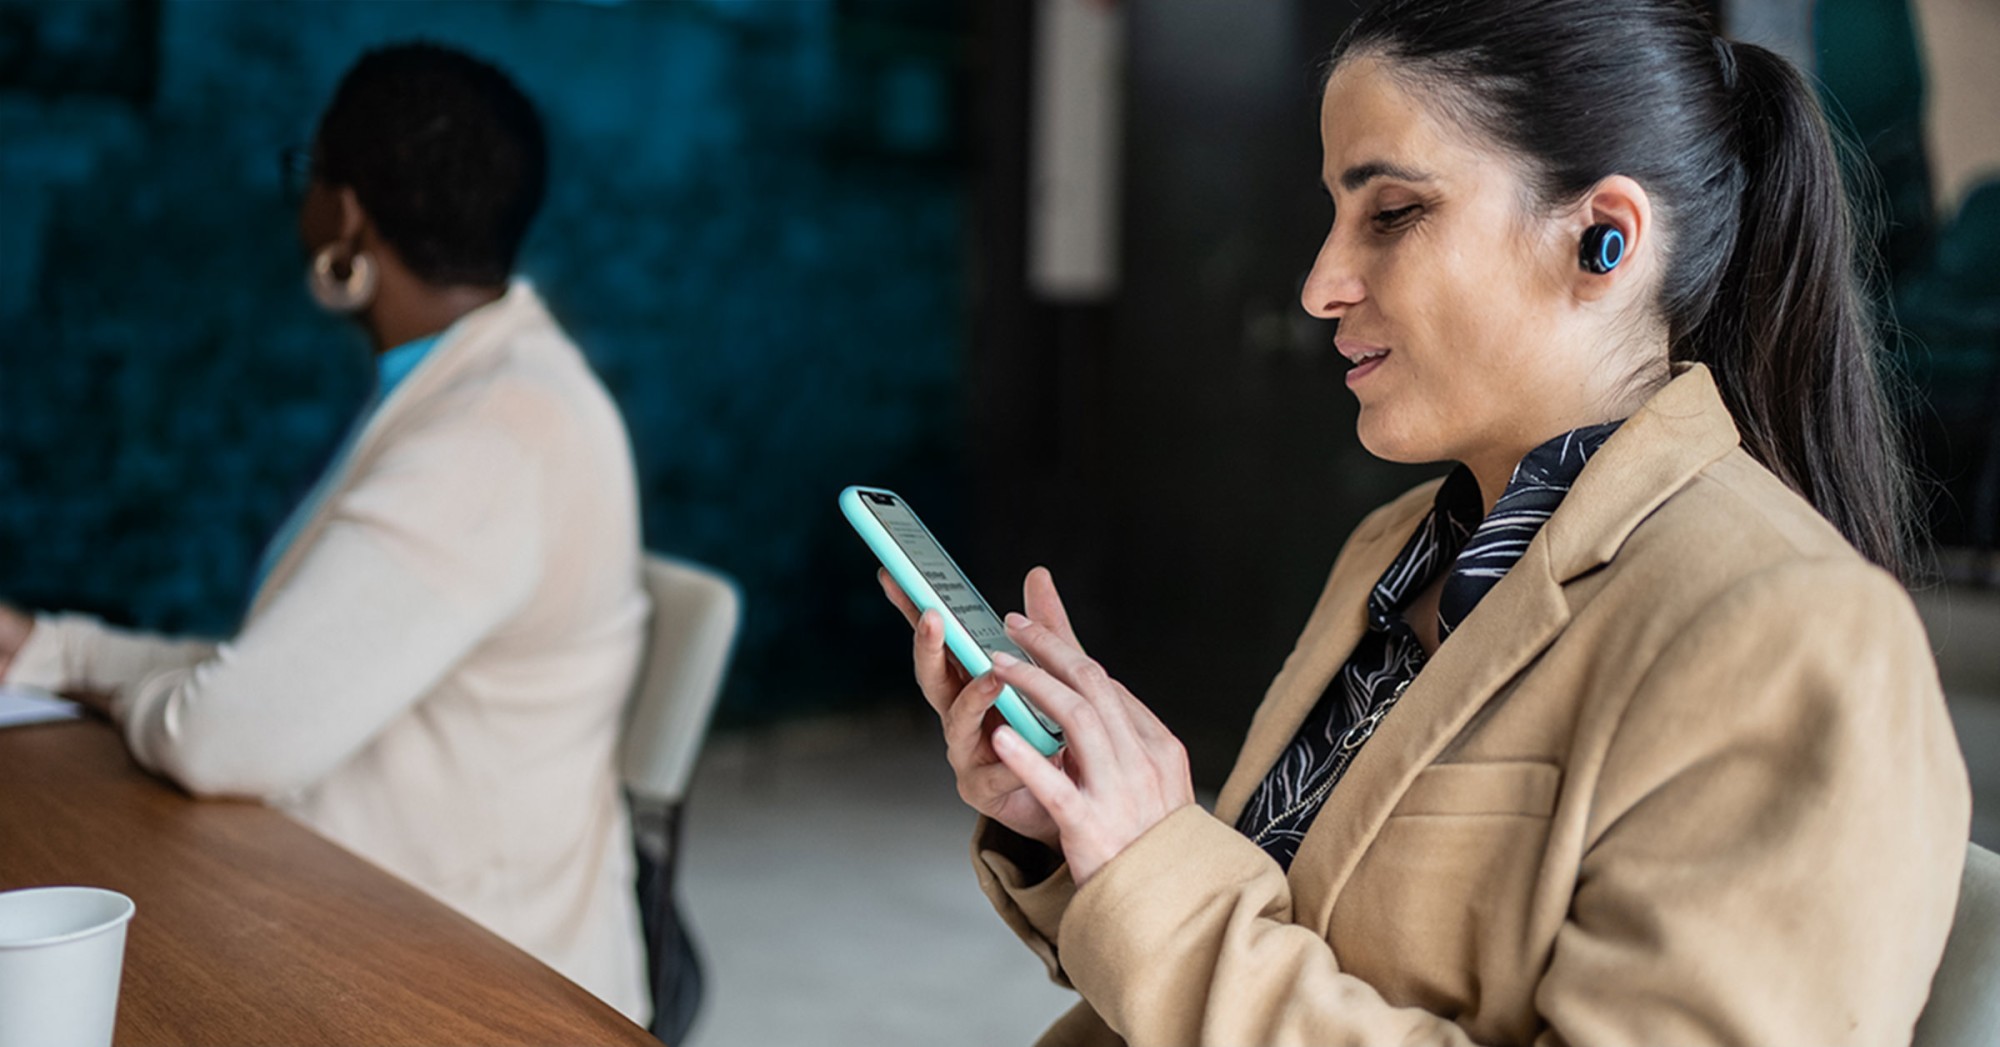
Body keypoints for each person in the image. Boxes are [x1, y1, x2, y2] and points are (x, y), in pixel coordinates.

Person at [878, 1, 1972, 1043]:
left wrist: (1156, 867)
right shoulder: (1399, 550)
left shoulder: (1793, 634)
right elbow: (1291, 933)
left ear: (1600, 238)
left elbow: (1216, 942)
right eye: (1333, 214)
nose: (1318, 283)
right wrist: (1078, 829)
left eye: (1391, 212)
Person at [0, 44, 651, 1022]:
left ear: (345, 214)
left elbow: (226, 735)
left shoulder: (494, 437)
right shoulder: (479, 386)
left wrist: (93, 671)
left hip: (477, 994)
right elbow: (276, 676)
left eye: (308, 172)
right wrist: (49, 650)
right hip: (384, 916)